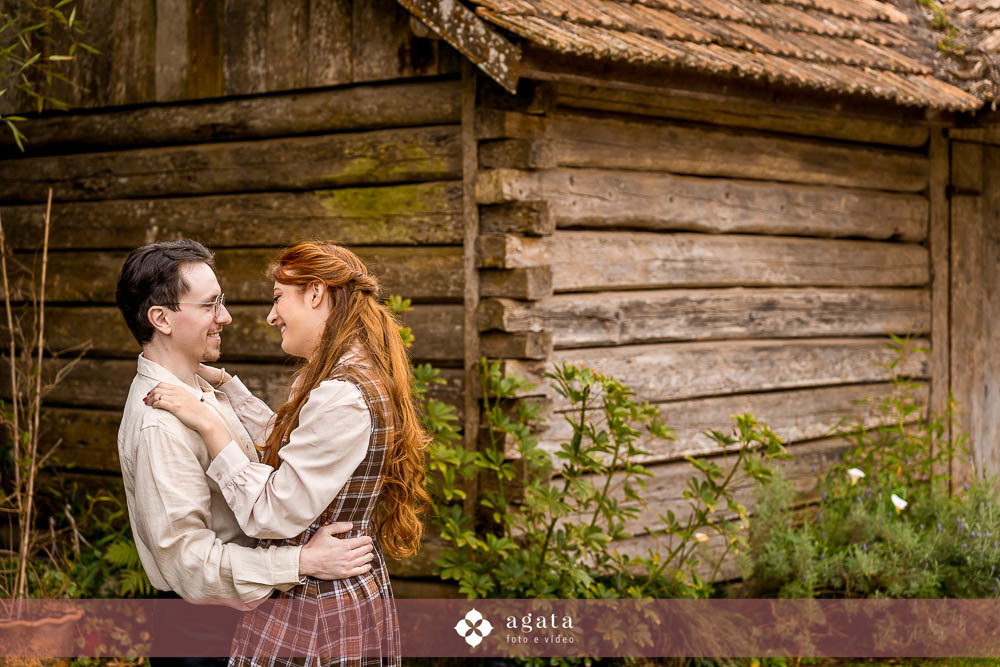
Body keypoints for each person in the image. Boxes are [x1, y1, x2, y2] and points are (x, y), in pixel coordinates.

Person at [147, 241, 430, 666]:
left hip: (316, 604)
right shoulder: (351, 373)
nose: (271, 315)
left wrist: (209, 423)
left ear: (316, 293)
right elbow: (300, 448)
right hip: (336, 590)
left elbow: (271, 512)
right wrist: (229, 387)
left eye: (279, 297)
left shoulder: (341, 395)